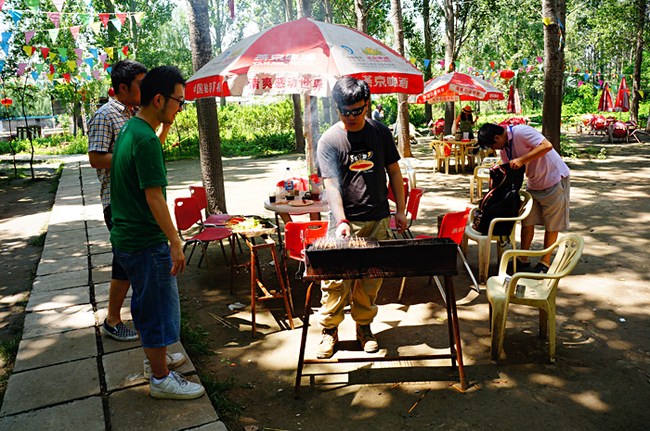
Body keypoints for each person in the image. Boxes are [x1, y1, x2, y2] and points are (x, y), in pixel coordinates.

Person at [110, 66, 204, 400]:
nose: (181, 107)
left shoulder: (134, 128)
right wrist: (175, 241)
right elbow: (154, 196)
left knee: (149, 303)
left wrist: (164, 126)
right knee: (157, 307)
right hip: (145, 241)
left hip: (127, 236)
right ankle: (161, 378)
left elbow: (149, 155)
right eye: (180, 101)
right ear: (160, 98)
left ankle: (158, 360)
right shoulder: (144, 138)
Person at [315, 77, 407, 359]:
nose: (352, 116)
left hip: (378, 218)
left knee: (371, 278)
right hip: (346, 222)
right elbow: (330, 185)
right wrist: (341, 220)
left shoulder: (380, 132)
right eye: (346, 111)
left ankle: (364, 326)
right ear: (336, 107)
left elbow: (394, 172)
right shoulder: (330, 140)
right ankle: (329, 330)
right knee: (335, 281)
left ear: (367, 104)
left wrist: (400, 210)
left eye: (358, 110)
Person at [88, 59, 148, 342]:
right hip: (117, 202)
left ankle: (125, 318)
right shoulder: (105, 115)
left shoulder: (137, 113)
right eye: (141, 84)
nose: (146, 89)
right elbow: (95, 158)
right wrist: (134, 157)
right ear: (122, 87)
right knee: (125, 261)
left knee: (127, 260)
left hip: (138, 200)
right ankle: (113, 319)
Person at [477, 123, 570, 274]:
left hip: (554, 178)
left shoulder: (521, 132)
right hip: (534, 182)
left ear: (497, 137)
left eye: (492, 145)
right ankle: (523, 258)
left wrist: (522, 159)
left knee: (552, 223)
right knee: (528, 221)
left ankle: (545, 262)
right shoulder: (504, 151)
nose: (493, 149)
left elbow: (547, 146)